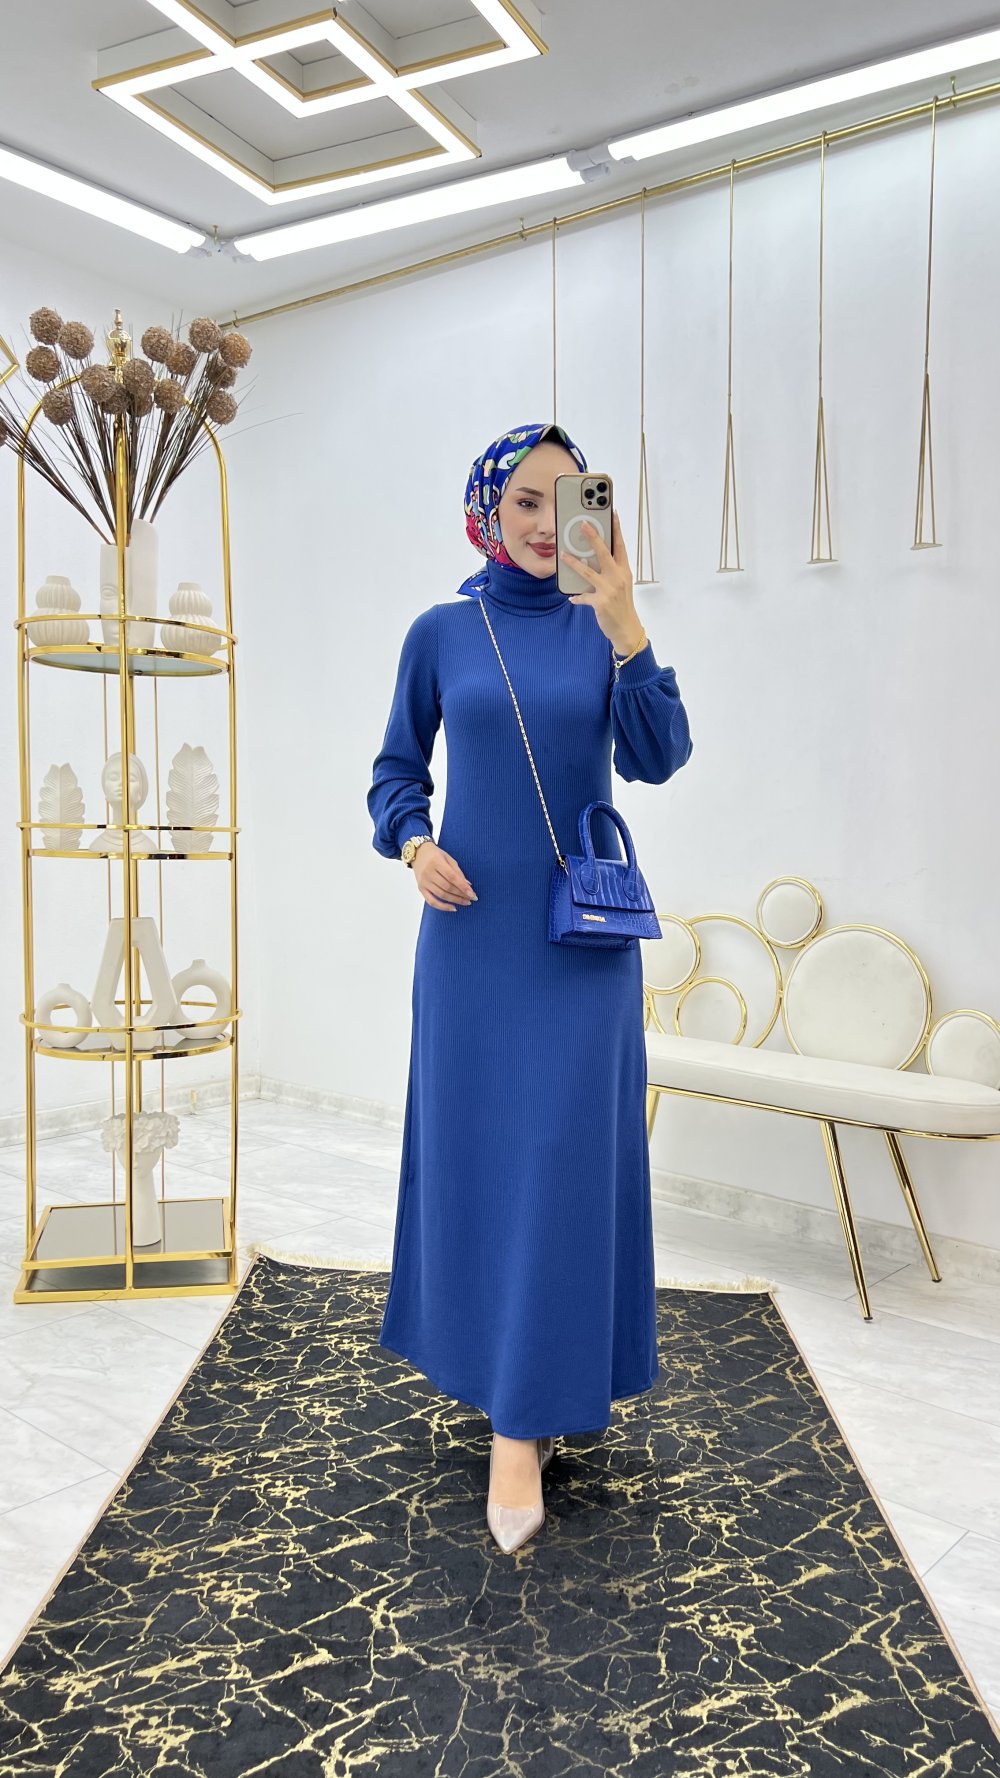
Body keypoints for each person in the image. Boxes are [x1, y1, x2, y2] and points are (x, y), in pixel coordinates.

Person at [367, 421, 693, 1553]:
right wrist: (414, 845)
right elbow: (394, 769)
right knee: (484, 1164)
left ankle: (523, 1421)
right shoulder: (440, 632)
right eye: (526, 503)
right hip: (470, 944)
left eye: (570, 498)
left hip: (580, 951)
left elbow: (658, 757)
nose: (550, 523)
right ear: (487, 513)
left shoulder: (599, 625)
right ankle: (507, 1386)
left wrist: (626, 623)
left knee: (560, 1166)